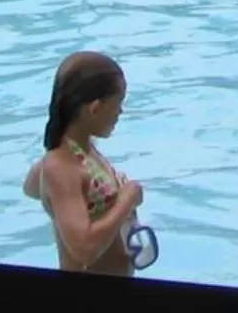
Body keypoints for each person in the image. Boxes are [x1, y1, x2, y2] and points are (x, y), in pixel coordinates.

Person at [22, 51, 149, 275]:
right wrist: (125, 200)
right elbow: (85, 249)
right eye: (118, 102)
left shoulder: (82, 152)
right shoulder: (61, 166)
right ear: (95, 108)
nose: (121, 111)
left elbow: (32, 186)